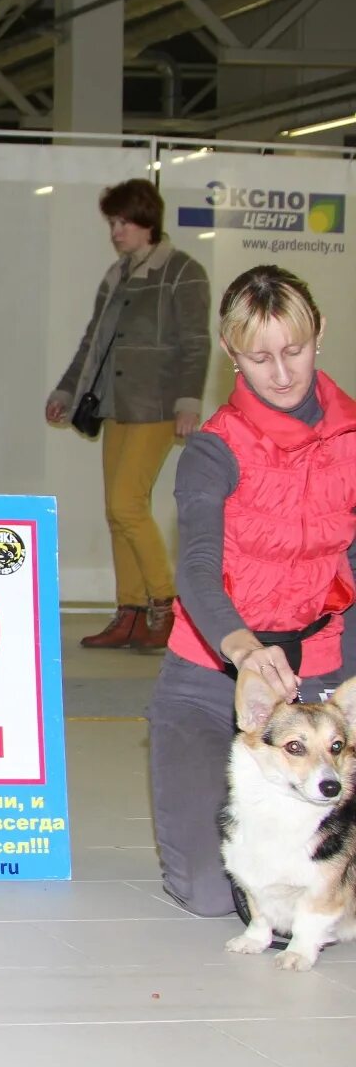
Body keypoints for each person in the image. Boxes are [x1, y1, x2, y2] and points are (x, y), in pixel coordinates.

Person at [146, 265, 356, 919]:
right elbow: (198, 568)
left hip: (321, 680)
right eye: (260, 357)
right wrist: (242, 648)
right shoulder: (212, 450)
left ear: (318, 332)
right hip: (212, 680)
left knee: (316, 877)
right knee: (215, 894)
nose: (283, 371)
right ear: (231, 352)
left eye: (293, 349)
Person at [46, 179, 211, 652]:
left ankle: (165, 602)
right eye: (112, 223)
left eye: (122, 222)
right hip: (115, 405)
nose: (115, 231)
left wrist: (188, 402)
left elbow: (196, 343)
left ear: (147, 222)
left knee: (126, 505)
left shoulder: (183, 271)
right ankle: (130, 612)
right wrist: (66, 388)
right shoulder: (116, 275)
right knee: (117, 513)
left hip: (157, 405)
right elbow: (92, 342)